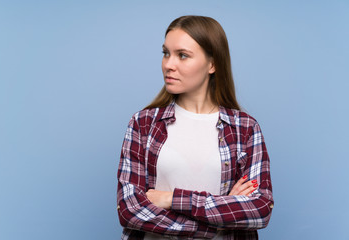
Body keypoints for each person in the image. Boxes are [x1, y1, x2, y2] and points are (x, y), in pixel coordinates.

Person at [117, 15, 273, 240]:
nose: (169, 64)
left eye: (182, 55)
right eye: (166, 53)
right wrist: (220, 218)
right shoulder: (143, 124)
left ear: (212, 64)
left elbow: (259, 210)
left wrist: (172, 199)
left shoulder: (245, 128)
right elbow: (129, 209)